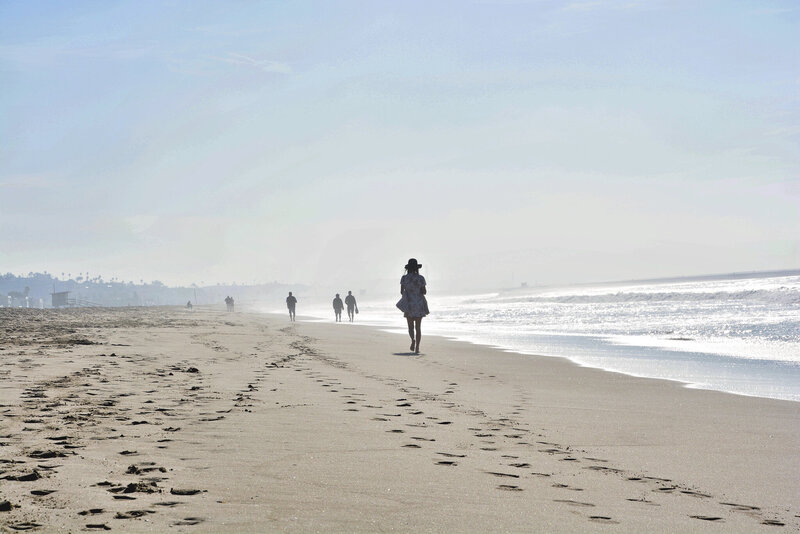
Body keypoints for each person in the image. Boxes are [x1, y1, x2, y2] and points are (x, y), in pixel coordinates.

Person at [397, 258, 429, 354]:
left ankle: (412, 340)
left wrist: (409, 291)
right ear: (416, 268)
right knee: (418, 327)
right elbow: (424, 292)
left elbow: (401, 291)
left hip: (409, 304)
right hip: (419, 304)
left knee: (410, 327)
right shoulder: (421, 278)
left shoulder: (404, 278)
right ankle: (417, 348)